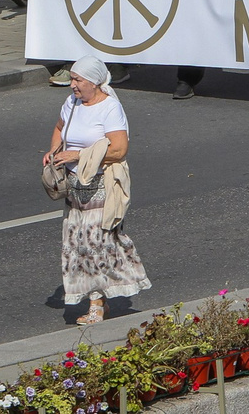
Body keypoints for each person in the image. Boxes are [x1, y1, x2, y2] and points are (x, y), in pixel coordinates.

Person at [43, 58, 148, 326]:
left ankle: (96, 305)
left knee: (95, 245)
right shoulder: (72, 103)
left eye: (78, 80)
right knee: (79, 245)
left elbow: (118, 150)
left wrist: (77, 154)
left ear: (95, 82)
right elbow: (59, 127)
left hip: (102, 186)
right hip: (75, 188)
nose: (72, 85)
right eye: (72, 79)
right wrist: (54, 152)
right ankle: (105, 289)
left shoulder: (110, 108)